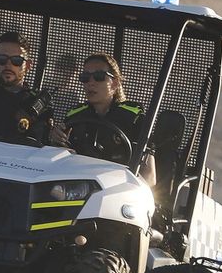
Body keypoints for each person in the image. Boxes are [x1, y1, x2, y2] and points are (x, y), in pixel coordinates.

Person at [59, 53, 153, 181]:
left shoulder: (133, 117)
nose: (90, 83)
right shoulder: (75, 116)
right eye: (85, 77)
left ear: (115, 83)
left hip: (117, 188)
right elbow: (59, 162)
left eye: (99, 77)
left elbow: (149, 176)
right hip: (74, 185)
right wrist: (56, 139)